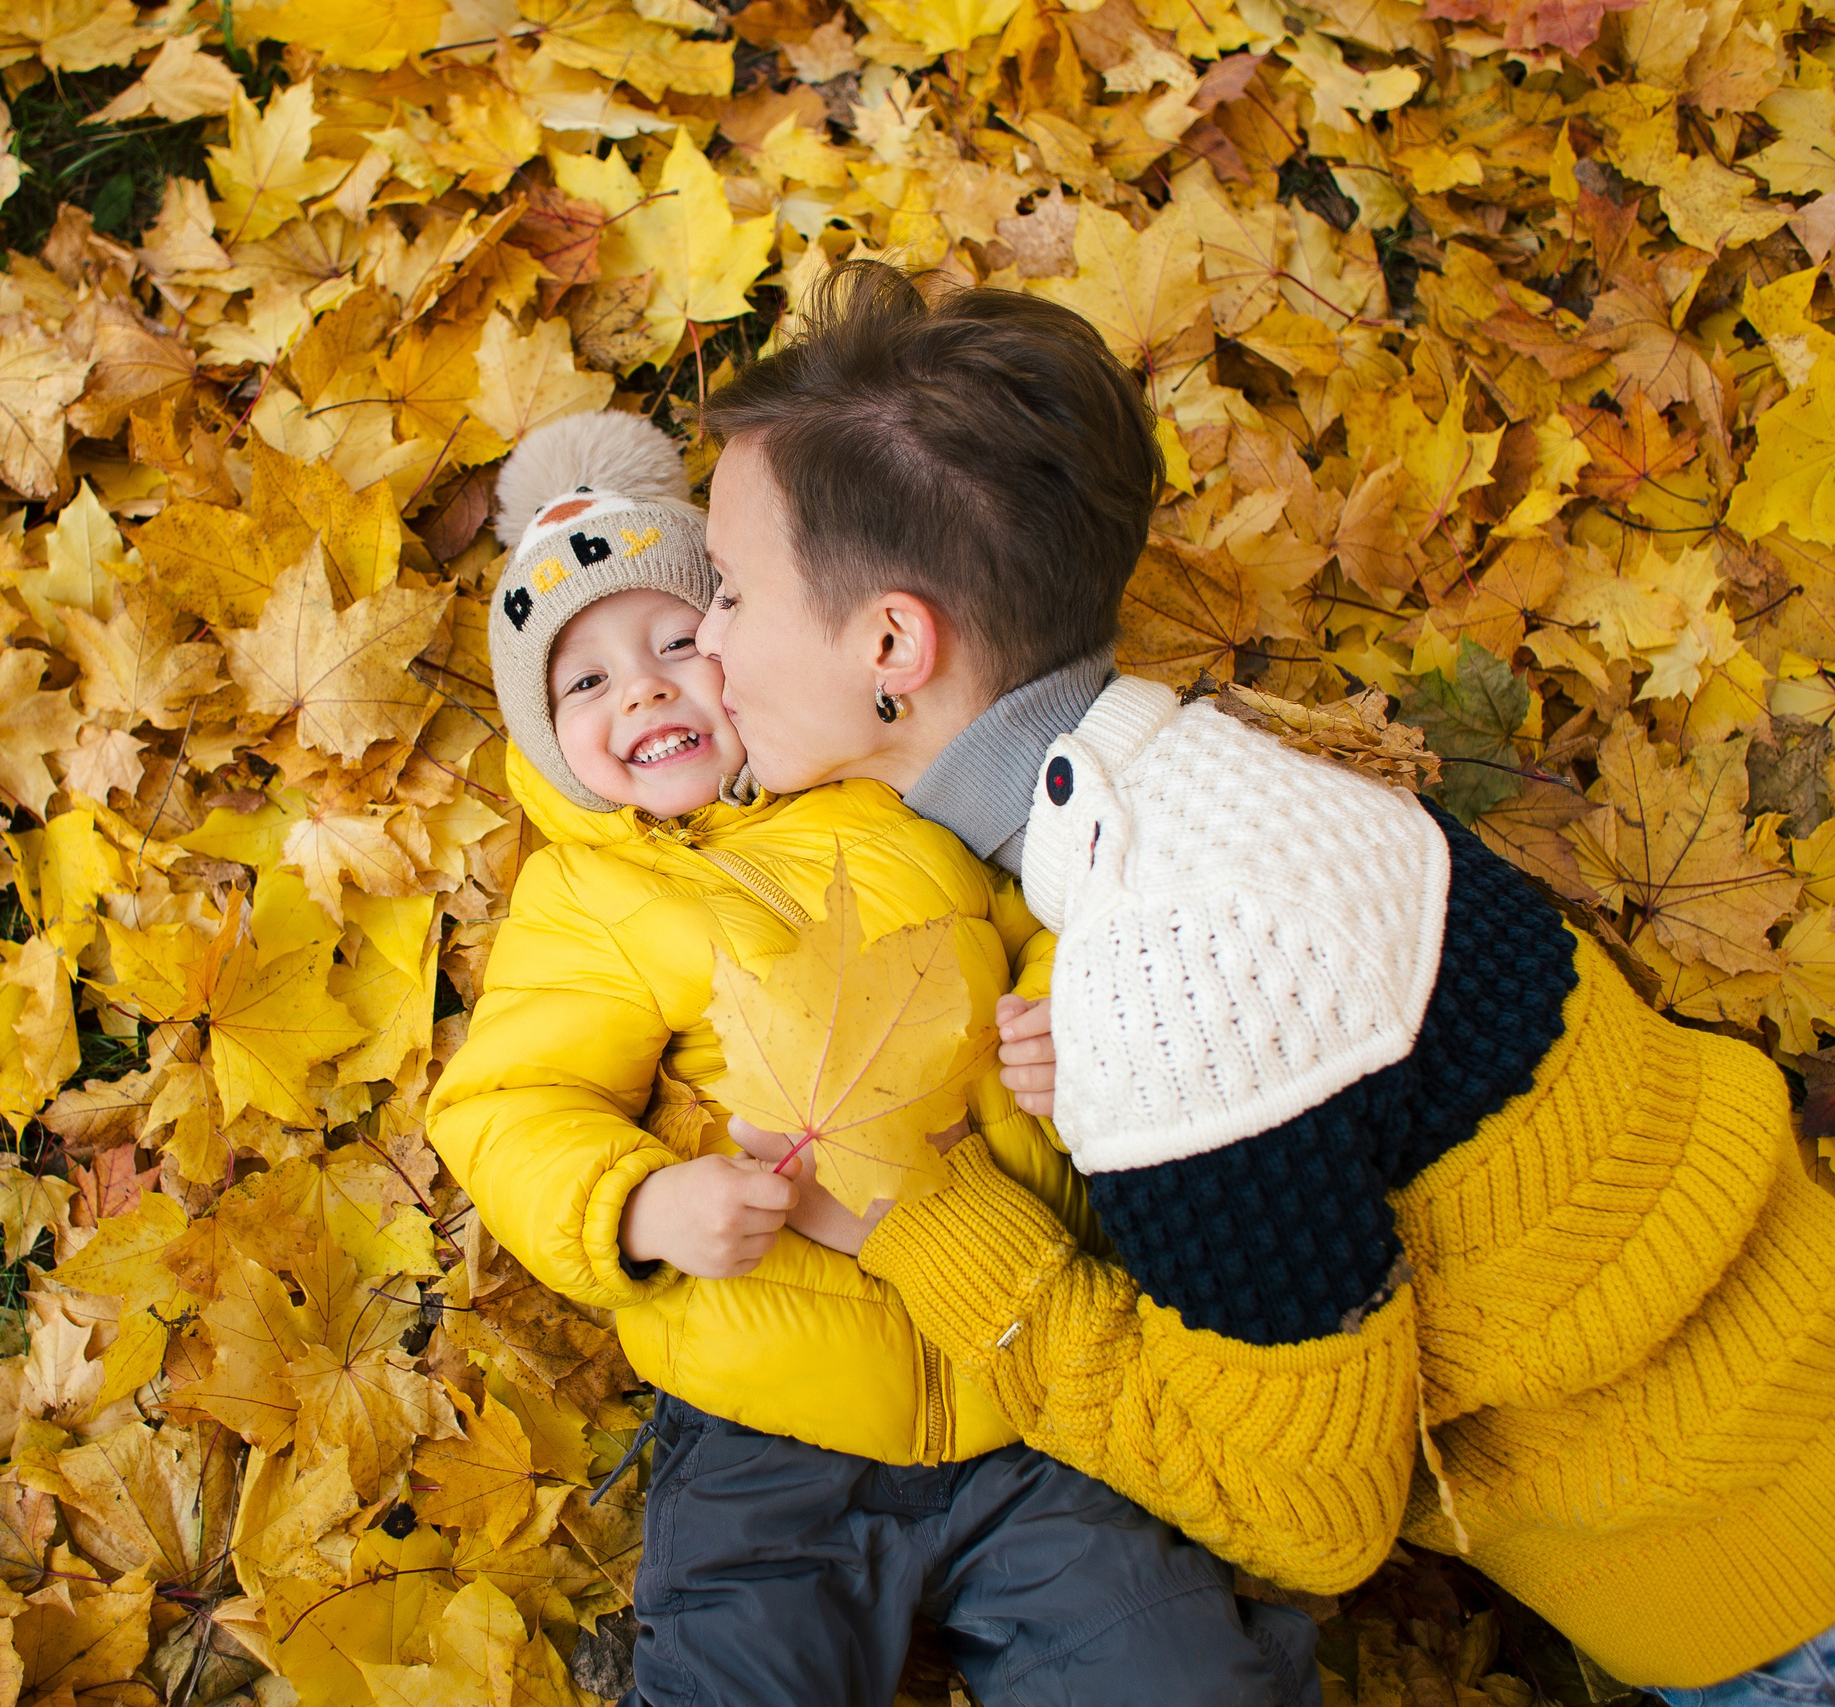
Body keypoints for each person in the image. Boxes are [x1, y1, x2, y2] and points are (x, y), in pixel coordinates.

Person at [693, 259, 1835, 1706]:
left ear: (892, 643)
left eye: (733, 591)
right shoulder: (1232, 784)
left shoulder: (1171, 960)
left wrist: (934, 1225)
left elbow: (1307, 1519)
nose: (704, 639)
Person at [424, 410, 1319, 1707]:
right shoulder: (588, 904)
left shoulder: (886, 798)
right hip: (768, 1417)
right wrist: (639, 1205)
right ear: (549, 748)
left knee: (1165, 1668)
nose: (647, 692)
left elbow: (1039, 915)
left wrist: (1063, 1011)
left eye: (676, 641)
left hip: (1022, 1369)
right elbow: (512, 1101)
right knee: (739, 1679)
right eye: (587, 683)